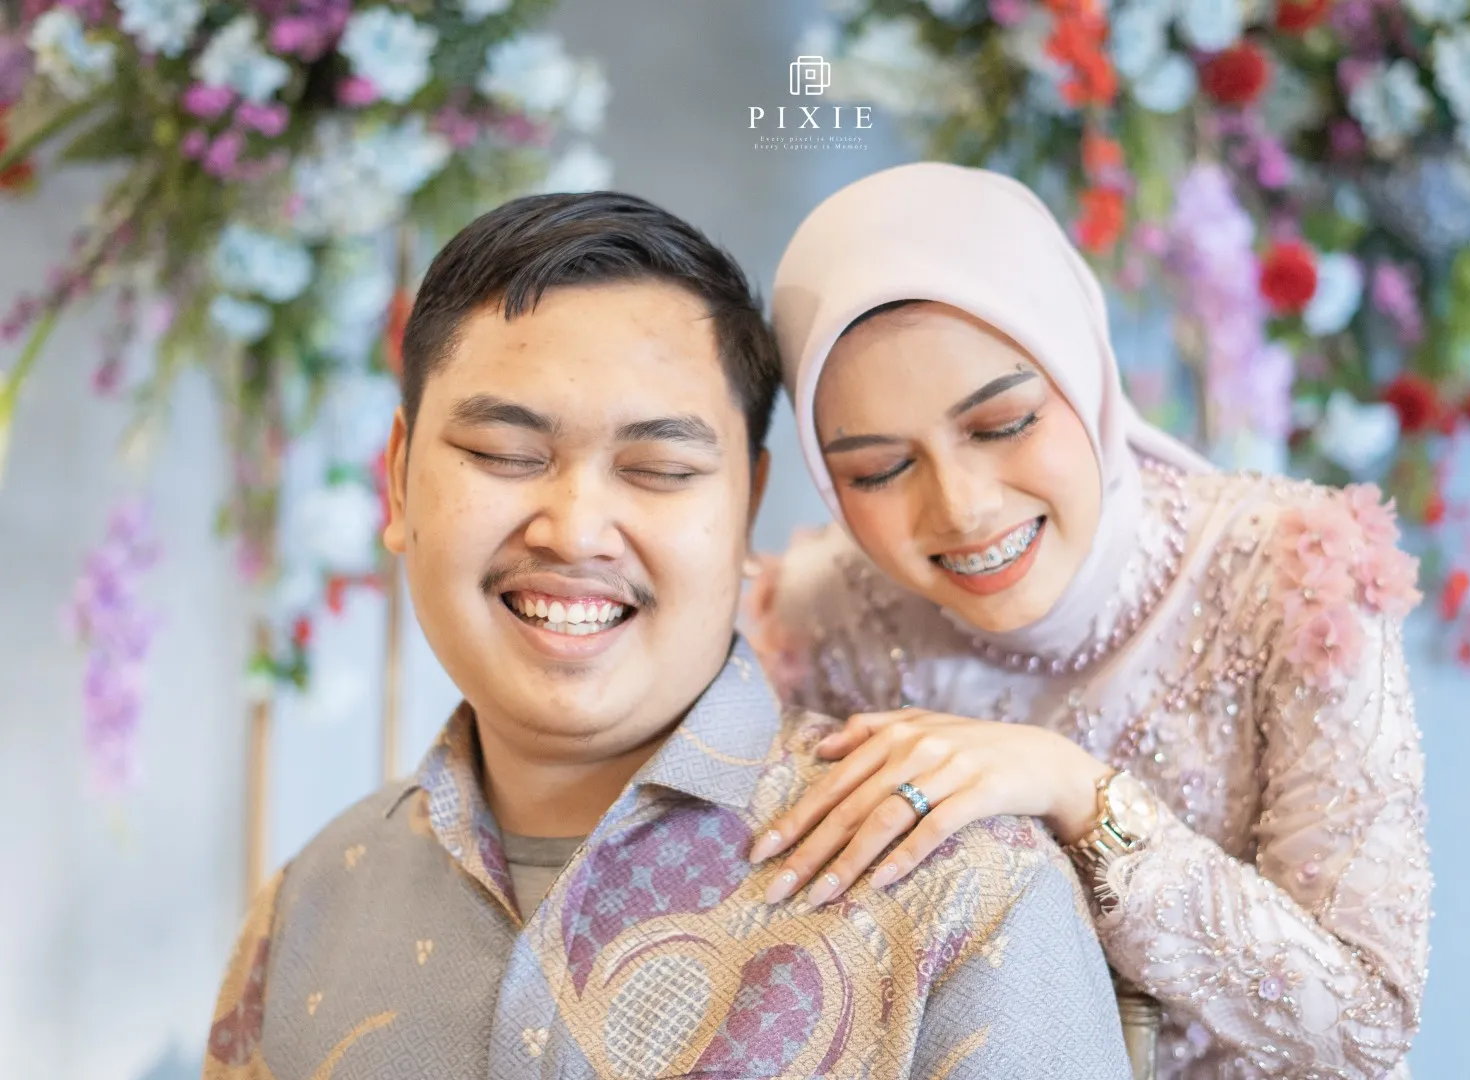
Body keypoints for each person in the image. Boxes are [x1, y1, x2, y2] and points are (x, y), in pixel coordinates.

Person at [201, 190, 1132, 1080]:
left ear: (748, 508)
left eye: (658, 468)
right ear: (400, 479)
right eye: (505, 455)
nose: (574, 531)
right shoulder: (308, 905)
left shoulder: (960, 887)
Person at [745, 162, 1433, 1078]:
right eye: (879, 471)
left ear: (1084, 371)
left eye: (1002, 423)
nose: (961, 507)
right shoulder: (822, 612)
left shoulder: (1292, 572)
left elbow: (1365, 1025)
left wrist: (1077, 793)